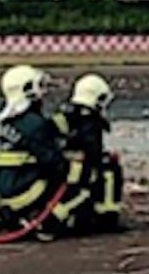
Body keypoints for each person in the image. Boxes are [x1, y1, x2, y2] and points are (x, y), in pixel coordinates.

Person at [0, 65, 81, 241]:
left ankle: (9, 216)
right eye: (38, 86)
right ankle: (46, 221)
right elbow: (53, 162)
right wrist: (73, 167)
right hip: (26, 189)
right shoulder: (34, 124)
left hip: (8, 188)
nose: (42, 93)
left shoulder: (11, 122)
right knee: (77, 181)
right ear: (27, 90)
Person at [53, 73, 125, 232]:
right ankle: (107, 217)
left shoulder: (64, 114)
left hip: (60, 169)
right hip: (77, 174)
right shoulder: (89, 122)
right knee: (110, 170)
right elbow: (93, 152)